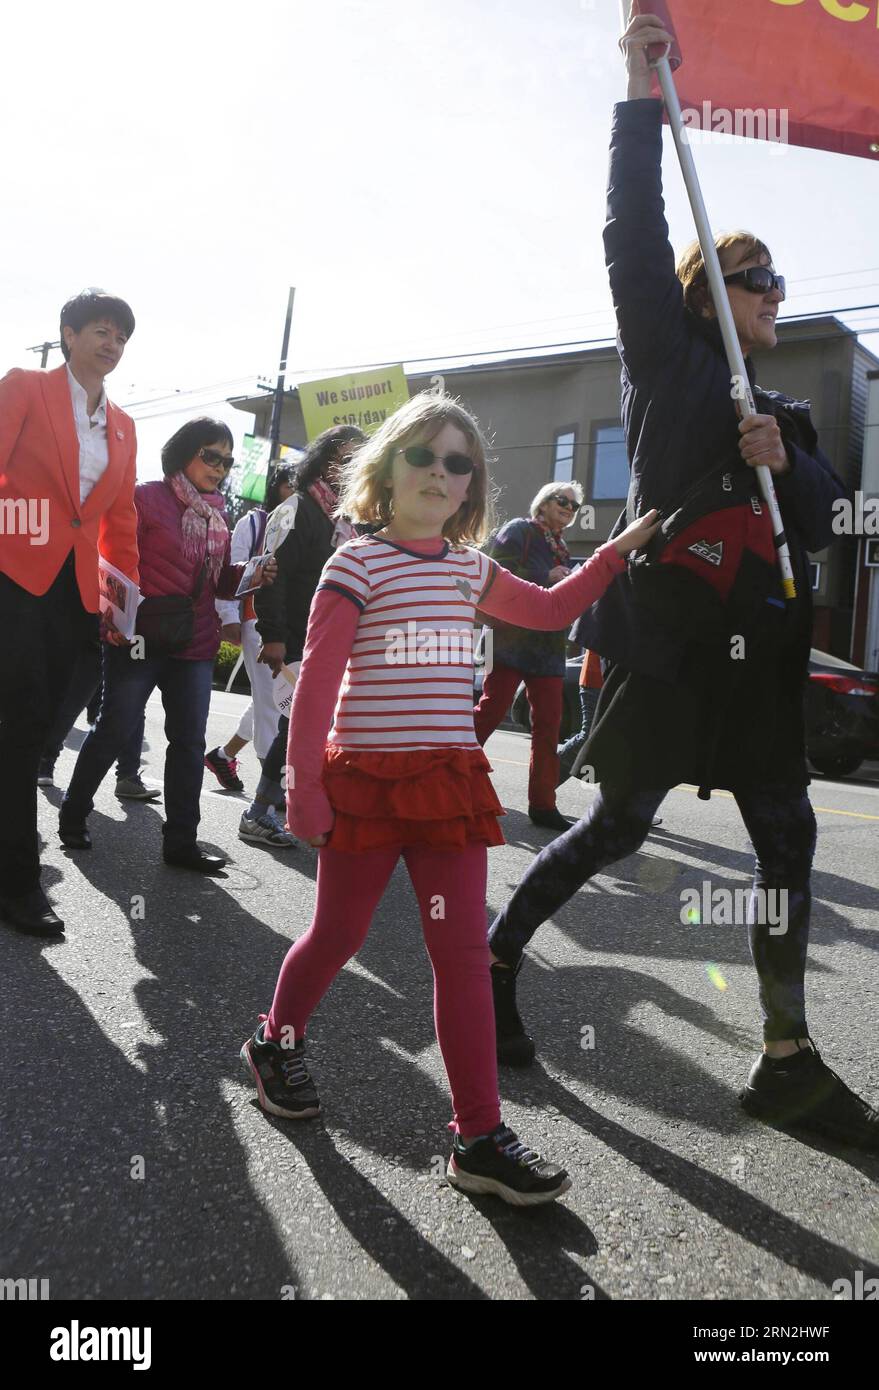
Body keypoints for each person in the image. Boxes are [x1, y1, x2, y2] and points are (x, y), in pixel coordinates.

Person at [487, 11, 879, 1152]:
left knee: (787, 834)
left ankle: (786, 1052)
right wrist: (636, 85)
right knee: (617, 824)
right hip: (667, 636)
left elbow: (820, 517)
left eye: (779, 282)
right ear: (710, 287)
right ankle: (496, 958)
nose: (772, 294)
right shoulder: (665, 352)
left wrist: (786, 460)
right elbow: (630, 225)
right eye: (754, 278)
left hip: (760, 648)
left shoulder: (787, 411)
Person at [238, 391, 658, 1205]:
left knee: (462, 955)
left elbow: (549, 609)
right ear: (386, 470)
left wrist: (616, 555)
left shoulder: (471, 568)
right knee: (338, 934)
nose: (438, 471)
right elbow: (318, 684)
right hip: (363, 781)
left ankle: (477, 1136)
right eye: (422, 456)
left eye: (456, 463)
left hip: (446, 782)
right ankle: (274, 1041)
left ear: (470, 489)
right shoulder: (353, 562)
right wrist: (303, 788)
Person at [60, 418, 276, 875]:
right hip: (138, 637)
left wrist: (249, 575)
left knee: (188, 742)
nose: (219, 467)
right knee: (114, 728)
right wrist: (115, 620)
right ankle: (73, 814)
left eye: (226, 460)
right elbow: (110, 560)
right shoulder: (144, 497)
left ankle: (181, 841)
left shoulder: (218, 516)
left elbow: (216, 582)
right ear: (183, 453)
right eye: (210, 456)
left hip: (195, 643)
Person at [0, 288, 138, 937]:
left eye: (120, 337)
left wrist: (123, 597)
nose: (111, 345)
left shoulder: (123, 426)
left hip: (75, 595)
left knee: (37, 722)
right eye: (101, 331)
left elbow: (118, 518)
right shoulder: (26, 386)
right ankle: (20, 883)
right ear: (69, 333)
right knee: (22, 722)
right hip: (13, 573)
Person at [242, 425, 366, 846]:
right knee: (295, 724)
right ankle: (258, 811)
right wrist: (272, 636)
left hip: (328, 639)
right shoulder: (295, 508)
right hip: (295, 637)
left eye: (357, 459)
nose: (350, 466)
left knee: (314, 726)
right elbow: (273, 577)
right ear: (324, 459)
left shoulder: (345, 516)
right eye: (344, 456)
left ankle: (299, 806)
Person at [473, 483, 583, 831]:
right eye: (562, 500)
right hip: (510, 640)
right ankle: (444, 774)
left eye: (575, 505)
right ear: (543, 502)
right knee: (491, 709)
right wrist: (545, 577)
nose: (569, 507)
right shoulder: (519, 530)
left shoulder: (561, 547)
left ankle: (543, 805)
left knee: (550, 724)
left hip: (548, 646)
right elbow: (496, 573)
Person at [205, 463, 298, 796]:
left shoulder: (307, 527)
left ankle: (223, 755)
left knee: (274, 700)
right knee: (274, 704)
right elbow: (232, 570)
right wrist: (228, 616)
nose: (295, 493)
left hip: (293, 627)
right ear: (276, 487)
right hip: (256, 622)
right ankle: (269, 796)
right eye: (290, 484)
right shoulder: (255, 522)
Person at [38, 625, 157, 800]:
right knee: (74, 702)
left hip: (130, 635)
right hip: (97, 633)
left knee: (133, 706)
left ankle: (128, 776)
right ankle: (45, 762)